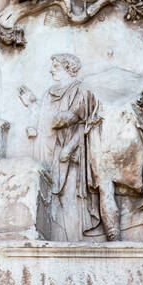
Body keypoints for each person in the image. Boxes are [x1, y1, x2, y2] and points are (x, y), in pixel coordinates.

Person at [43, 53, 99, 241]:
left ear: (69, 69)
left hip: (76, 151)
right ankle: (61, 237)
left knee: (71, 196)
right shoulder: (53, 92)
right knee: (55, 197)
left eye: (56, 66)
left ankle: (74, 239)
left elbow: (80, 122)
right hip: (57, 149)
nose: (51, 70)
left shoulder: (81, 90)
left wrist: (70, 147)